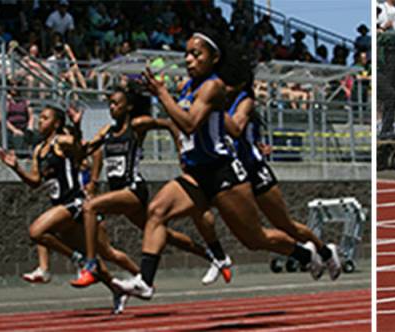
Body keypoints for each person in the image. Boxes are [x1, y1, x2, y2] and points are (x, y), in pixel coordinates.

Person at [113, 31, 324, 300]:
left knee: (254, 239)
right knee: (156, 210)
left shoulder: (213, 87)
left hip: (222, 170)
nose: (189, 59)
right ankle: (145, 280)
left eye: (196, 54)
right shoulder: (188, 87)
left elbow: (190, 123)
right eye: (186, 53)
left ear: (214, 58)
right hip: (197, 173)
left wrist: (162, 95)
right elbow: (182, 125)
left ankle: (303, 252)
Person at [71, 83, 232, 288]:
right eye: (110, 104)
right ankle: (211, 255)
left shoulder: (137, 125)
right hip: (118, 192)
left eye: (116, 103)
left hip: (133, 190)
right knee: (163, 233)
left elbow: (170, 124)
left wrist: (180, 151)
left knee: (90, 207)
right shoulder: (107, 131)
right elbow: (81, 153)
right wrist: (77, 127)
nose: (112, 107)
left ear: (128, 107)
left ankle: (91, 265)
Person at [217, 46, 343, 280]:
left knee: (285, 224)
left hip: (255, 171)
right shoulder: (219, 103)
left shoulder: (244, 101)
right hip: (235, 173)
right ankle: (303, 254)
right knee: (251, 236)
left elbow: (236, 128)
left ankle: (325, 251)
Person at [0, 105, 137, 314]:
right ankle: (116, 289)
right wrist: (16, 167)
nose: (39, 121)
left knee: (38, 231)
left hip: (76, 203)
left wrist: (78, 126)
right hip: (61, 207)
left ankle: (141, 275)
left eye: (45, 118)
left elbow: (81, 150)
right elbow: (35, 181)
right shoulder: (38, 150)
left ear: (56, 123)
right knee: (100, 257)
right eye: (40, 118)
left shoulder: (61, 142)